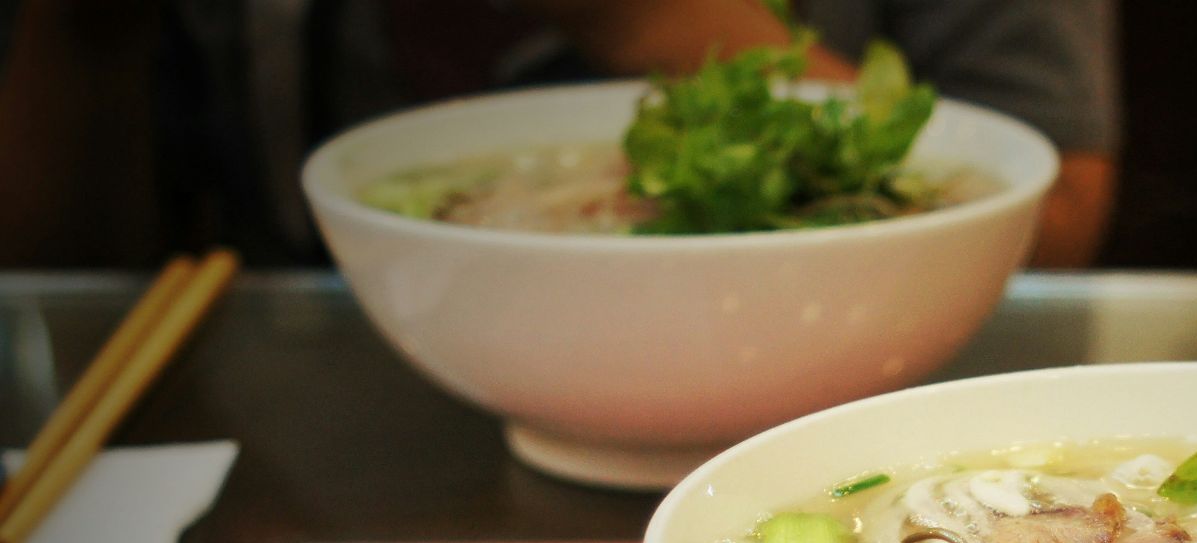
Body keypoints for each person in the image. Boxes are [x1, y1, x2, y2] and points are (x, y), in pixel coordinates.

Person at [0, 0, 1120, 268]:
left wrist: (654, 19)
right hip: (352, 399)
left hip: (855, 377)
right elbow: (56, 257)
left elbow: (1058, 205)